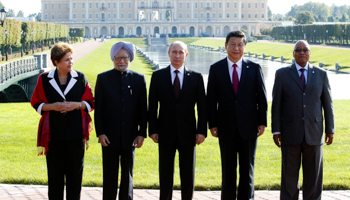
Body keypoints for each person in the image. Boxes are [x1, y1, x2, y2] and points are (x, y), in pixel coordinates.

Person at [207, 31, 267, 200]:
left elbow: (261, 98)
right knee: (228, 170)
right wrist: (212, 123)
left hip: (249, 126)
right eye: (232, 44)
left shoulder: (254, 68)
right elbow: (211, 99)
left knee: (247, 170)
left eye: (240, 44)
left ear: (245, 47)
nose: (236, 48)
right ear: (225, 46)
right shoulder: (216, 69)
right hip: (225, 127)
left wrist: (262, 122)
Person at [271, 40, 335, 200]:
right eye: (298, 50)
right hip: (290, 133)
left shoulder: (321, 74)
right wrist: (276, 130)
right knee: (289, 177)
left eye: (305, 50)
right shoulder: (282, 74)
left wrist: (330, 129)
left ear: (310, 53)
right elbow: (276, 105)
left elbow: (328, 104)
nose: (301, 52)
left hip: (314, 133)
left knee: (313, 177)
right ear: (293, 54)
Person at [31, 42, 94, 200]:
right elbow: (36, 103)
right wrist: (52, 107)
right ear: (56, 62)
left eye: (71, 59)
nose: (71, 62)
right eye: (66, 60)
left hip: (75, 135)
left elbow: (91, 103)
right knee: (55, 178)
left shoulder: (80, 78)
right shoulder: (44, 79)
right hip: (54, 135)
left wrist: (76, 105)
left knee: (75, 177)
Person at [148, 41, 207, 200]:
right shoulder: (158, 76)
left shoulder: (196, 77)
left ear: (186, 55)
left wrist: (201, 131)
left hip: (188, 133)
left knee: (188, 174)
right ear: (168, 53)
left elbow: (202, 107)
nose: (177, 56)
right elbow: (152, 106)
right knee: (165, 174)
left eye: (181, 52)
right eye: (174, 52)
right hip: (164, 132)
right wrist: (152, 130)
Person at [94, 41, 147, 200]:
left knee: (127, 174)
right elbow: (99, 109)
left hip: (130, 135)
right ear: (113, 59)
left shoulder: (138, 79)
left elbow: (143, 109)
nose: (121, 61)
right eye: (117, 58)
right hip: (109, 136)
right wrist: (100, 133)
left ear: (130, 59)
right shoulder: (103, 79)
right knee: (109, 174)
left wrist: (142, 133)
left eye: (124, 58)